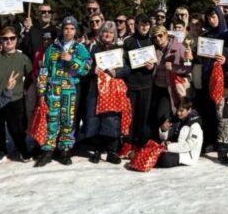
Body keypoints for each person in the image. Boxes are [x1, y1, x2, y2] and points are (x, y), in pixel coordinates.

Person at [35, 16, 91, 167]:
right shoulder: (52, 48)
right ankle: (48, 149)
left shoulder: (79, 48)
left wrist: (72, 59)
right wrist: (41, 91)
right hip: (53, 89)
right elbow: (44, 69)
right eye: (66, 28)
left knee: (68, 119)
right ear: (62, 30)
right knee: (52, 118)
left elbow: (87, 67)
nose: (68, 31)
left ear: (75, 31)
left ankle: (65, 149)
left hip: (70, 89)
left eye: (72, 28)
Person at [0, 26, 34, 162]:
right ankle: (2, 150)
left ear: (16, 39)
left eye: (12, 38)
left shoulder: (23, 58)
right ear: (1, 41)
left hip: (14, 99)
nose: (8, 41)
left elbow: (31, 76)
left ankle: (22, 149)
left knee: (16, 128)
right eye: (5, 39)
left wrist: (22, 89)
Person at [82, 22, 130, 163]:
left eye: (110, 32)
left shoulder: (119, 51)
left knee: (112, 119)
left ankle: (112, 151)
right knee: (95, 117)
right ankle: (97, 149)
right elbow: (85, 67)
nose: (107, 35)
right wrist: (92, 70)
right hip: (96, 89)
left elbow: (127, 68)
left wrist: (117, 72)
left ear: (114, 35)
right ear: (100, 34)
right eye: (105, 32)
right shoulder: (94, 49)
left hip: (113, 91)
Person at [195, 1, 228, 162]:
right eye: (209, 17)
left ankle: (222, 147)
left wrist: (227, 60)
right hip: (207, 79)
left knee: (223, 115)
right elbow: (200, 57)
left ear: (220, 16)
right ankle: (210, 141)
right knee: (209, 112)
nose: (212, 20)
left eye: (214, 16)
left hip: (224, 81)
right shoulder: (204, 36)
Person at [122, 15, 157, 149]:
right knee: (130, 115)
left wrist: (152, 67)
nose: (144, 27)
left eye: (147, 25)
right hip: (131, 83)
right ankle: (128, 142)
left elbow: (156, 62)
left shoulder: (152, 41)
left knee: (143, 116)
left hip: (146, 84)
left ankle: (140, 143)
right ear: (136, 25)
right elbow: (123, 62)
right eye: (142, 24)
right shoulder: (129, 41)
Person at [156, 99, 204, 168]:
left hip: (187, 154)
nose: (178, 113)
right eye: (177, 110)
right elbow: (164, 138)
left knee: (165, 159)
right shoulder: (175, 120)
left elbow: (189, 145)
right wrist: (163, 130)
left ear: (189, 110)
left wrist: (169, 147)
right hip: (173, 148)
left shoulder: (195, 125)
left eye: (181, 111)